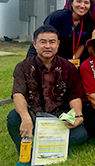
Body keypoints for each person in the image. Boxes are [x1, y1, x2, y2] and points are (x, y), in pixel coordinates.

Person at [7, 26, 88, 164]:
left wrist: (78, 115)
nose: (47, 46)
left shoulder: (68, 67)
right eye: (43, 42)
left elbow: (74, 95)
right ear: (34, 44)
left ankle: (48, 147)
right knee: (14, 118)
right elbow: (18, 94)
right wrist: (25, 118)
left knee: (81, 134)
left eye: (52, 42)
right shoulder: (23, 67)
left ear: (58, 44)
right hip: (32, 115)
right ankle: (28, 151)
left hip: (57, 118)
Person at [27, 0, 95, 63]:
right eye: (78, 1)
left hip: (67, 56)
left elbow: (82, 44)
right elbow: (45, 39)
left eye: (86, 2)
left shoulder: (88, 21)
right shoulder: (57, 17)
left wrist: (73, 61)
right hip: (46, 53)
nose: (82, 6)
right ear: (71, 3)